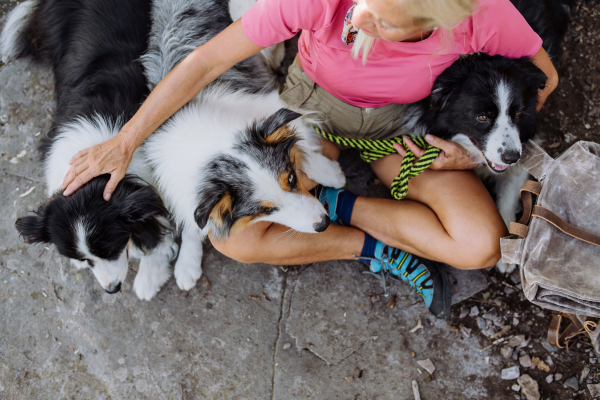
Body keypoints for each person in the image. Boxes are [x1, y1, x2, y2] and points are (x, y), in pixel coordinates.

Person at [59, 0, 558, 318]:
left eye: (384, 21)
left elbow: (544, 78)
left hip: (401, 125)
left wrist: (470, 154)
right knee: (235, 239)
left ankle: (335, 208)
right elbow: (206, 60)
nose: (360, 17)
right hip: (306, 114)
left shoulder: (482, 12)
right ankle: (378, 249)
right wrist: (126, 139)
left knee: (480, 246)